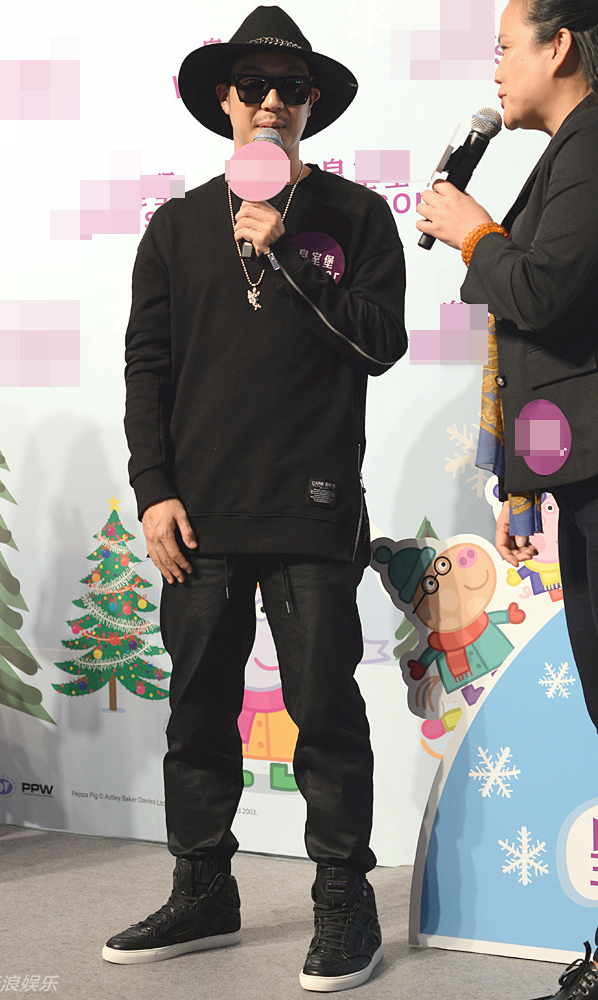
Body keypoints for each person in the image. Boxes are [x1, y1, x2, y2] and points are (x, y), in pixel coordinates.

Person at [102, 5, 407, 993]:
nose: (271, 101)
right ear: (224, 101)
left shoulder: (354, 217)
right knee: (197, 710)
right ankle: (203, 890)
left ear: (312, 104)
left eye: (292, 88)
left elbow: (379, 344)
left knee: (325, 710)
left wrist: (287, 252)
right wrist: (154, 491)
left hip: (313, 508)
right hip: (199, 515)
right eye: (253, 86)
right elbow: (148, 368)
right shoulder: (174, 226)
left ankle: (342, 899)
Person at [416, 1, 598, 997]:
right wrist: (524, 475)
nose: (493, 69)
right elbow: (545, 345)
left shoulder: (592, 142)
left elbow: (543, 292)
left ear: (558, 44)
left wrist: (474, 230)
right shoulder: (566, 151)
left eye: (503, 46)